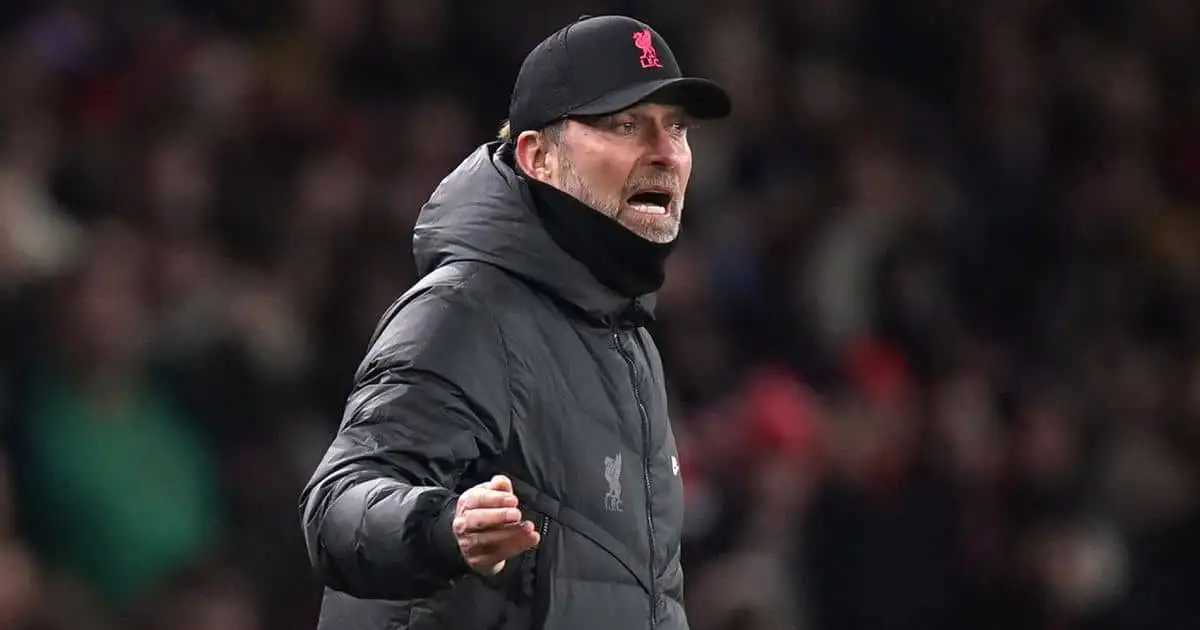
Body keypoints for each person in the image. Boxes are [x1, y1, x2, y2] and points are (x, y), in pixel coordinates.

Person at [299, 14, 731, 630]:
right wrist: (442, 529)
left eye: (678, 128)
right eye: (627, 125)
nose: (666, 153)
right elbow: (334, 508)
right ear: (538, 157)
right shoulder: (465, 311)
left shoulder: (628, 339)